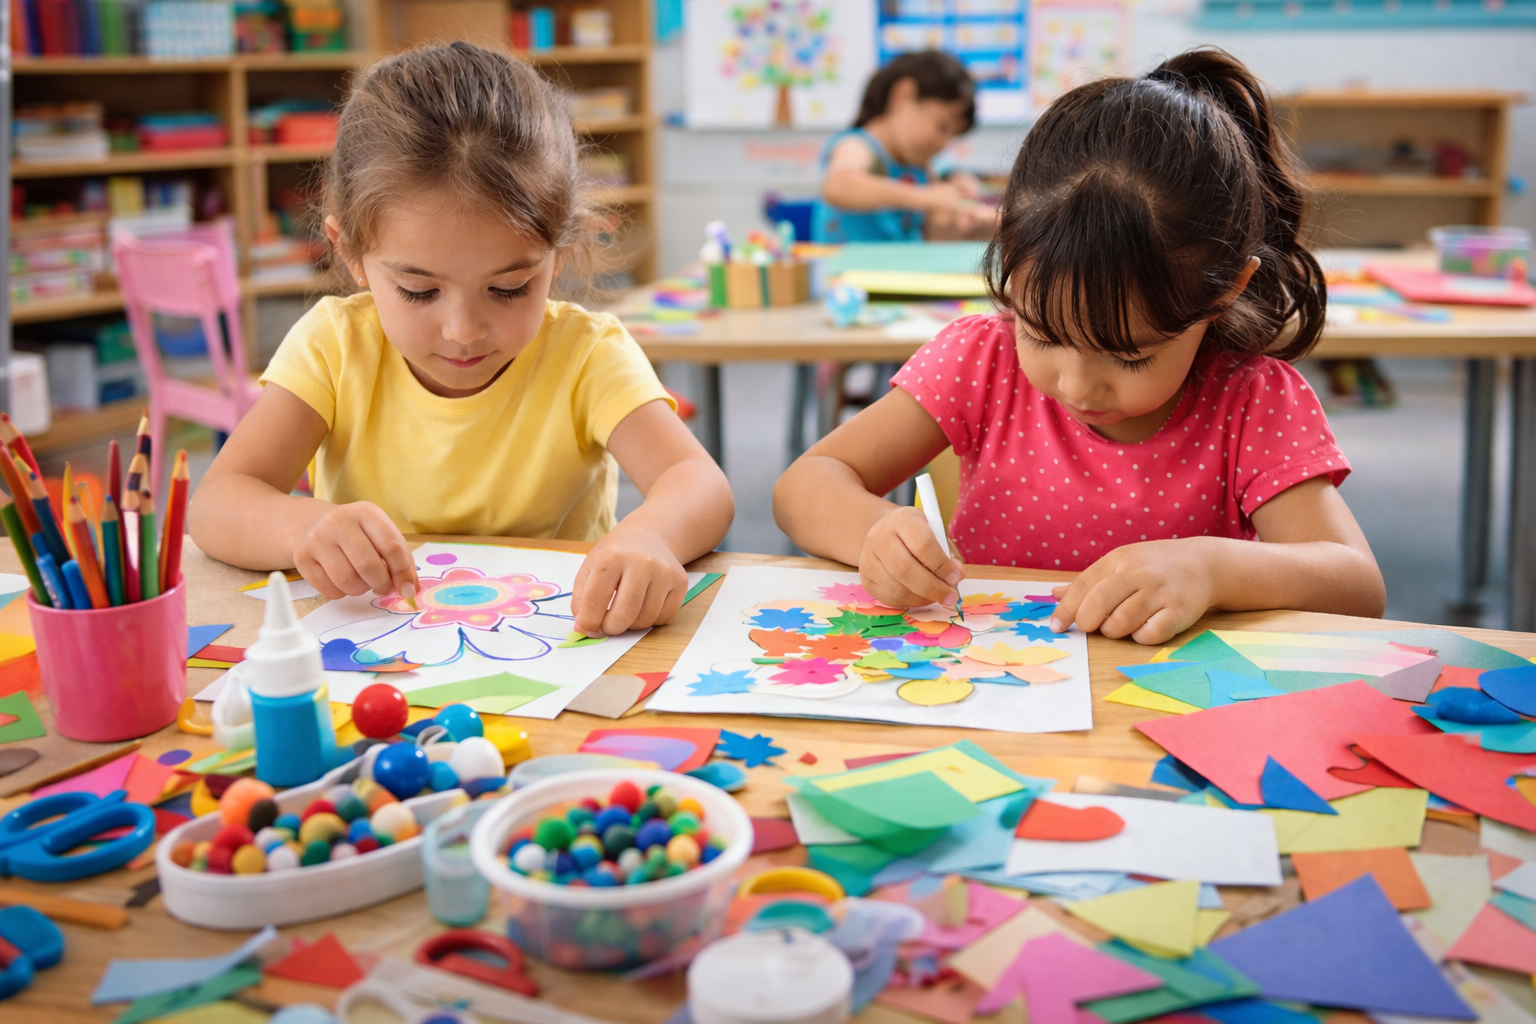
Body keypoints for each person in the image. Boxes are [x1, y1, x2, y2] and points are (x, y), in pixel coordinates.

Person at [775, 48, 1385, 645]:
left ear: (1226, 289)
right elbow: (805, 485)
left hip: (1158, 714)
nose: (1075, 385)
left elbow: (1357, 587)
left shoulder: (1250, 401)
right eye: (1040, 332)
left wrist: (1211, 569)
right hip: (984, 699)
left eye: (1129, 355)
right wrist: (874, 531)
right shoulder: (983, 360)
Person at [189, 42, 733, 636]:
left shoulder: (586, 353)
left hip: (554, 649)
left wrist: (650, 534)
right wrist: (301, 528)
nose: (464, 331)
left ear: (559, 249)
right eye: (420, 292)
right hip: (379, 660)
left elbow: (699, 485)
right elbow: (218, 503)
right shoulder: (333, 345)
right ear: (351, 253)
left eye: (511, 287)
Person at [813, 51, 995, 243]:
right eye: (942, 126)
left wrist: (955, 211)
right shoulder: (857, 146)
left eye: (951, 137)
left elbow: (928, 237)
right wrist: (924, 197)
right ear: (904, 95)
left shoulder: (922, 169)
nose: (942, 145)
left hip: (898, 270)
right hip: (849, 271)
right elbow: (838, 185)